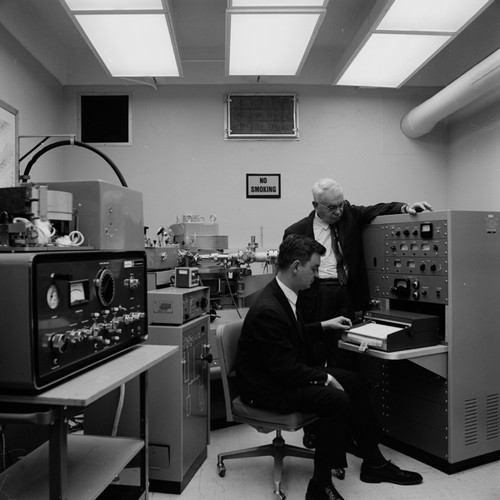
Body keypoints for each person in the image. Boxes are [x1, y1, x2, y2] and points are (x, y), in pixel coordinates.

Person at [236, 235, 423, 500]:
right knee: (335, 399)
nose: (317, 274)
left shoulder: (284, 293)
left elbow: (290, 334)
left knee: (353, 382)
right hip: (266, 387)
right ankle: (319, 486)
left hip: (278, 374)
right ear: (296, 266)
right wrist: (323, 377)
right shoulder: (270, 308)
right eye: (314, 268)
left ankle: (374, 462)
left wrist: (324, 326)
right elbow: (285, 370)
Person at [283, 178, 433, 368]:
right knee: (315, 350)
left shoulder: (350, 215)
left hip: (346, 293)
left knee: (346, 351)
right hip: (315, 295)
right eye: (331, 207)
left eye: (341, 205)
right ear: (315, 205)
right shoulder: (296, 231)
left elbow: (380, 209)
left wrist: (406, 207)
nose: (338, 211)